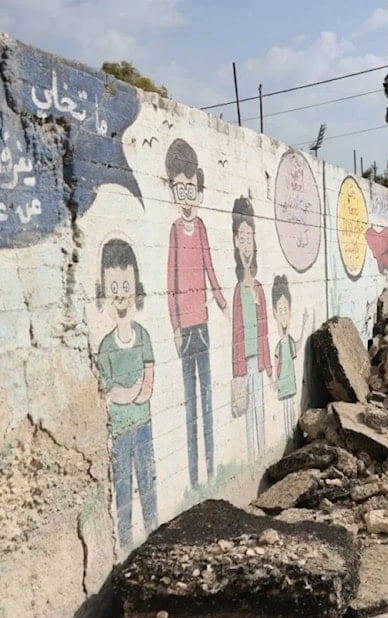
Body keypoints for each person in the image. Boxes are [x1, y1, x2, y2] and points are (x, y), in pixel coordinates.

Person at [165, 138, 227, 486]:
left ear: (199, 192)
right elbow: (171, 279)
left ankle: (211, 466)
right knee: (189, 404)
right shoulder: (175, 231)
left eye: (192, 190)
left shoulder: (202, 227)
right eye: (181, 190)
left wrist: (221, 301)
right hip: (185, 330)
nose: (187, 197)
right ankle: (191, 476)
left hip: (202, 324)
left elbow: (209, 267)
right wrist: (174, 325)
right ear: (173, 190)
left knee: (207, 401)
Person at [96, 238, 157, 550]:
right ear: (104, 292)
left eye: (125, 285)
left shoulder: (143, 335)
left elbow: (148, 382)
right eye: (114, 287)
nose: (120, 294)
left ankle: (153, 533)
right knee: (123, 488)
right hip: (120, 429)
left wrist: (133, 392)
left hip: (143, 423)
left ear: (137, 288)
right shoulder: (106, 346)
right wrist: (130, 393)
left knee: (148, 481)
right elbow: (109, 390)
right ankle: (126, 542)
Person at [231, 196, 272, 458]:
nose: (247, 245)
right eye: (242, 238)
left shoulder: (258, 289)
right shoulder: (238, 290)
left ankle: (261, 455)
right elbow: (236, 333)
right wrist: (237, 372)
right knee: (248, 415)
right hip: (244, 364)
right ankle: (255, 456)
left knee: (260, 410)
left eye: (250, 239)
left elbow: (265, 331)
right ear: (236, 241)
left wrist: (268, 366)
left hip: (258, 362)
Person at [271, 275, 308, 439]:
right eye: (281, 311)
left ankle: (292, 435)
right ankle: (287, 436)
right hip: (283, 380)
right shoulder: (280, 344)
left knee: (290, 407)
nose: (284, 315)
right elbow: (276, 360)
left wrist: (305, 323)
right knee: (285, 406)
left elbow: (298, 346)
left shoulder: (289, 341)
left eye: (286, 310)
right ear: (275, 313)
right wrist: (274, 379)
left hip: (290, 379)